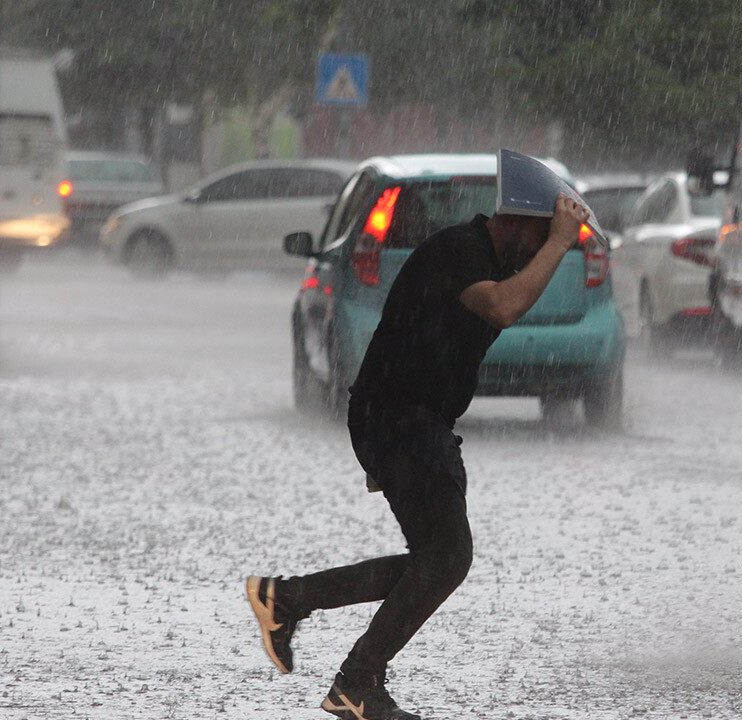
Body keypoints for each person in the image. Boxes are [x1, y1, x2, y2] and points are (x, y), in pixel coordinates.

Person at [246, 194, 592, 720]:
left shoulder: (486, 258)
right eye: (541, 238)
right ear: (520, 222)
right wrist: (563, 240)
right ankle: (355, 679)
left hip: (410, 420)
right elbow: (503, 305)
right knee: (447, 558)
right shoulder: (459, 250)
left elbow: (504, 302)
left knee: (434, 561)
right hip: (401, 417)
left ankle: (290, 600)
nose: (542, 251)